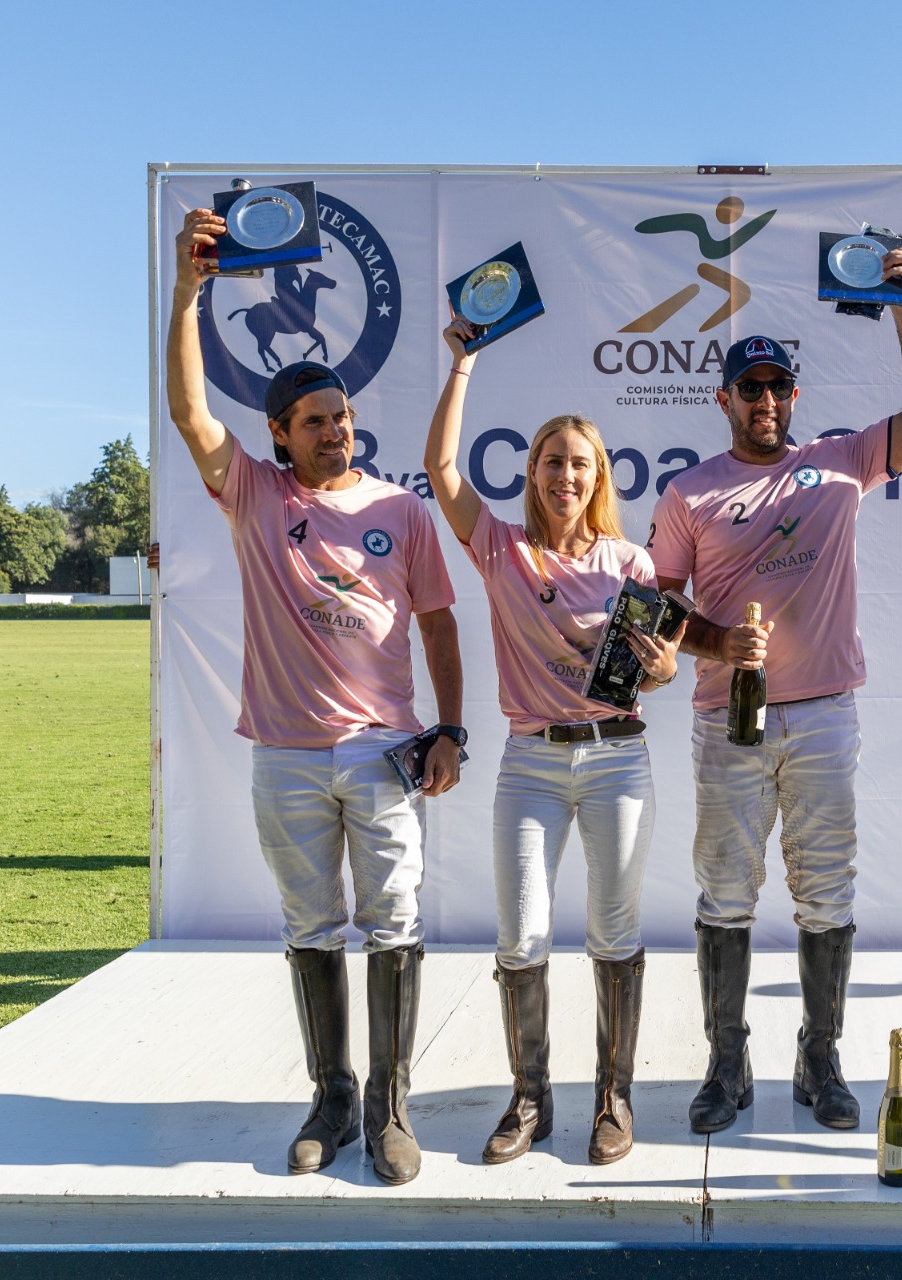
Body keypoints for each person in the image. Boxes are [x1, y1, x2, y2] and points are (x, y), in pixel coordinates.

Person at [167, 209, 464, 1186]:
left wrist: (448, 726)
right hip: (286, 756)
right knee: (309, 927)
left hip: (383, 755)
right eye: (317, 423)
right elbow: (188, 416)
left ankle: (390, 1107)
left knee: (395, 924)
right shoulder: (254, 493)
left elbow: (437, 625)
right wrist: (188, 292)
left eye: (342, 416)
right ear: (280, 436)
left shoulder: (399, 508)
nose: (337, 431)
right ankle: (331, 1096)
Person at [648, 247, 902, 1134]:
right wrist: (718, 642)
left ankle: (822, 1059)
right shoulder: (688, 493)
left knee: (827, 892)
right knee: (725, 893)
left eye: (778, 388)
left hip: (821, 717)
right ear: (725, 399)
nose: (765, 401)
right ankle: (727, 1063)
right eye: (750, 388)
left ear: (793, 398)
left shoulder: (843, 459)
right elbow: (655, 612)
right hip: (724, 720)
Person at [425, 316, 684, 1166]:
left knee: (613, 930)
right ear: (532, 475)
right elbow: (441, 471)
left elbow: (656, 672)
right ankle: (530, 1100)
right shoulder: (500, 547)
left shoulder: (631, 564)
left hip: (617, 759)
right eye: (551, 461)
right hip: (532, 764)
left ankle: (613, 1100)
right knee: (522, 935)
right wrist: (462, 367)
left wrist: (664, 669)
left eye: (580, 463)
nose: (565, 475)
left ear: (597, 476)